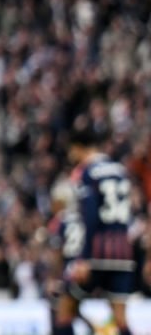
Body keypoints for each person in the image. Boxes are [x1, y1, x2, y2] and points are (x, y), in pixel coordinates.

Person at [51, 126, 139, 335]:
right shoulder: (120, 170)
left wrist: (84, 258)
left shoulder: (87, 172)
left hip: (97, 253)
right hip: (123, 253)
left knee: (65, 307)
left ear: (78, 148)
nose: (71, 156)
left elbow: (90, 216)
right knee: (120, 317)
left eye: (72, 151)